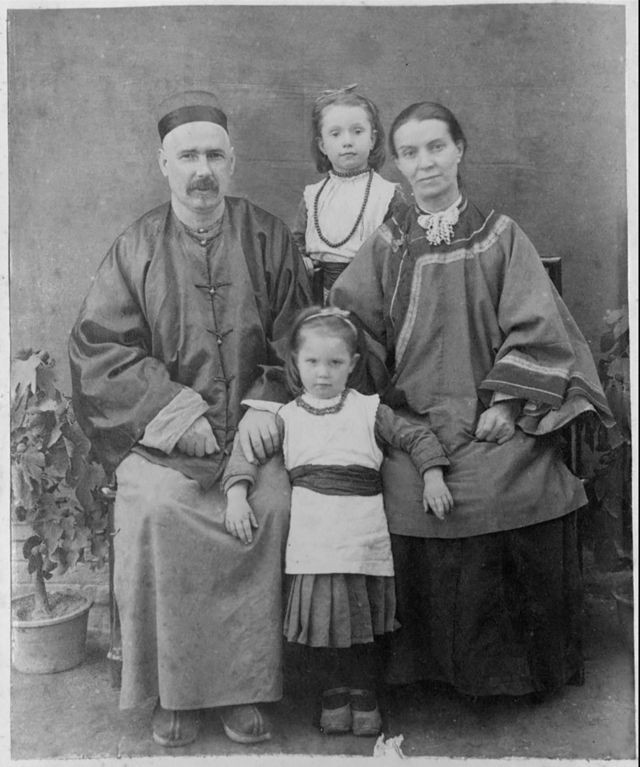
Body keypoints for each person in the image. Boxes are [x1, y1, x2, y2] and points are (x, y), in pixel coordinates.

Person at [330, 102, 615, 701]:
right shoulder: (388, 244)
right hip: (411, 422)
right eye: (410, 152)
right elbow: (350, 329)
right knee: (400, 490)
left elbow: (539, 329)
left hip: (491, 418)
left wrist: (508, 405)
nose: (425, 162)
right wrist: (372, 403)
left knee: (513, 485)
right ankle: (419, 671)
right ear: (397, 163)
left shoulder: (501, 236)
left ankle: (509, 675)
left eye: (437, 147)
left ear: (459, 150)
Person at [68, 90, 311, 747]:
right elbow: (99, 350)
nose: (202, 170)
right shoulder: (136, 247)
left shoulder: (266, 237)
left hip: (253, 436)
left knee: (274, 505)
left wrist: (266, 403)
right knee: (156, 510)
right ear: (163, 164)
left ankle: (243, 689)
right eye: (188, 157)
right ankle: (174, 693)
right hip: (164, 442)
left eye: (214, 155)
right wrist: (175, 413)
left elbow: (301, 332)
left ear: (232, 162)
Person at [222, 306, 452, 735]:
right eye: (312, 362)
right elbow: (246, 452)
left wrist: (433, 476)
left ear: (353, 365)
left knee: (362, 624)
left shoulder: (369, 410)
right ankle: (332, 695)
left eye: (334, 363)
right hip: (314, 543)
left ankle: (364, 696)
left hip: (361, 536)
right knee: (323, 625)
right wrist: (237, 496)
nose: (323, 373)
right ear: (295, 363)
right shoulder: (286, 416)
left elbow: (415, 435)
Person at [292, 85, 405, 302]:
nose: (347, 141)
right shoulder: (313, 197)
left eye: (357, 131)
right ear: (322, 145)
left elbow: (399, 254)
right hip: (317, 296)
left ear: (372, 139)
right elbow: (297, 243)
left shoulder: (387, 195)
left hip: (369, 297)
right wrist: (302, 260)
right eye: (335, 134)